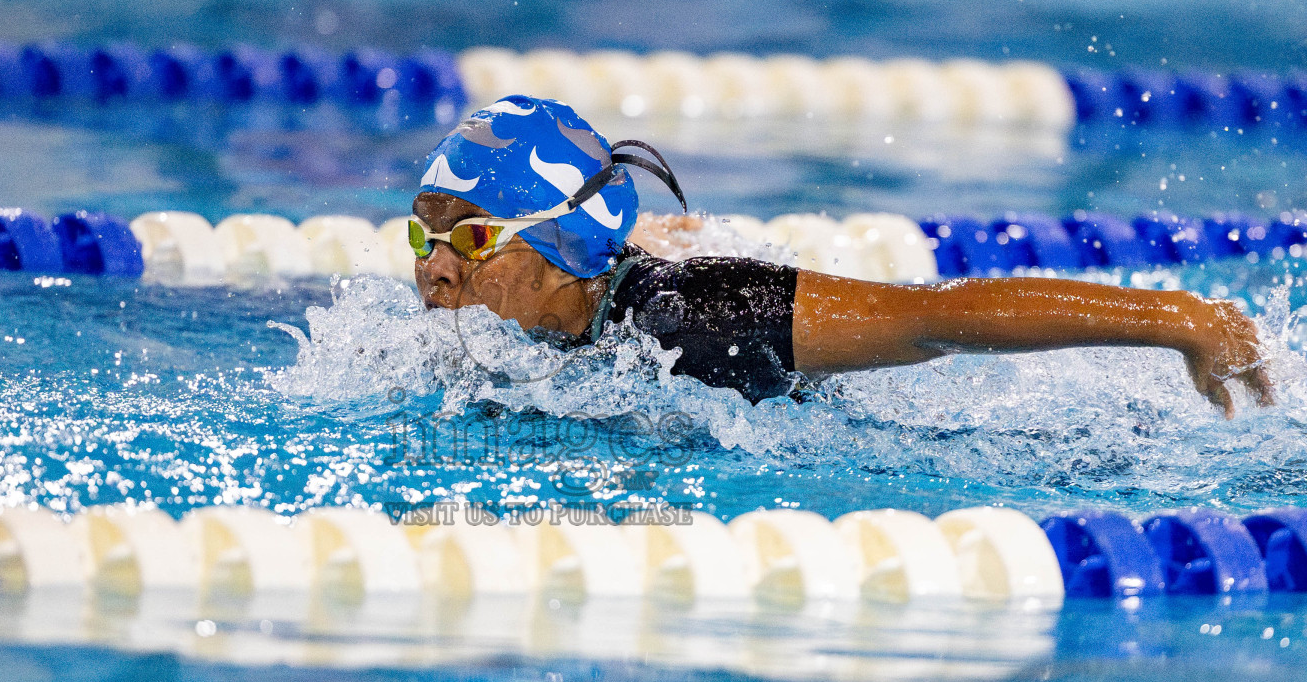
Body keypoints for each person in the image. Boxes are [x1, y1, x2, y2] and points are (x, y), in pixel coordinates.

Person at [409, 95, 1275, 417]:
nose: (434, 268)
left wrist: (1176, 318)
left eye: (473, 237)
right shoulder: (506, 317)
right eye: (424, 234)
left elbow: (936, 319)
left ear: (561, 243)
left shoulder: (703, 317)